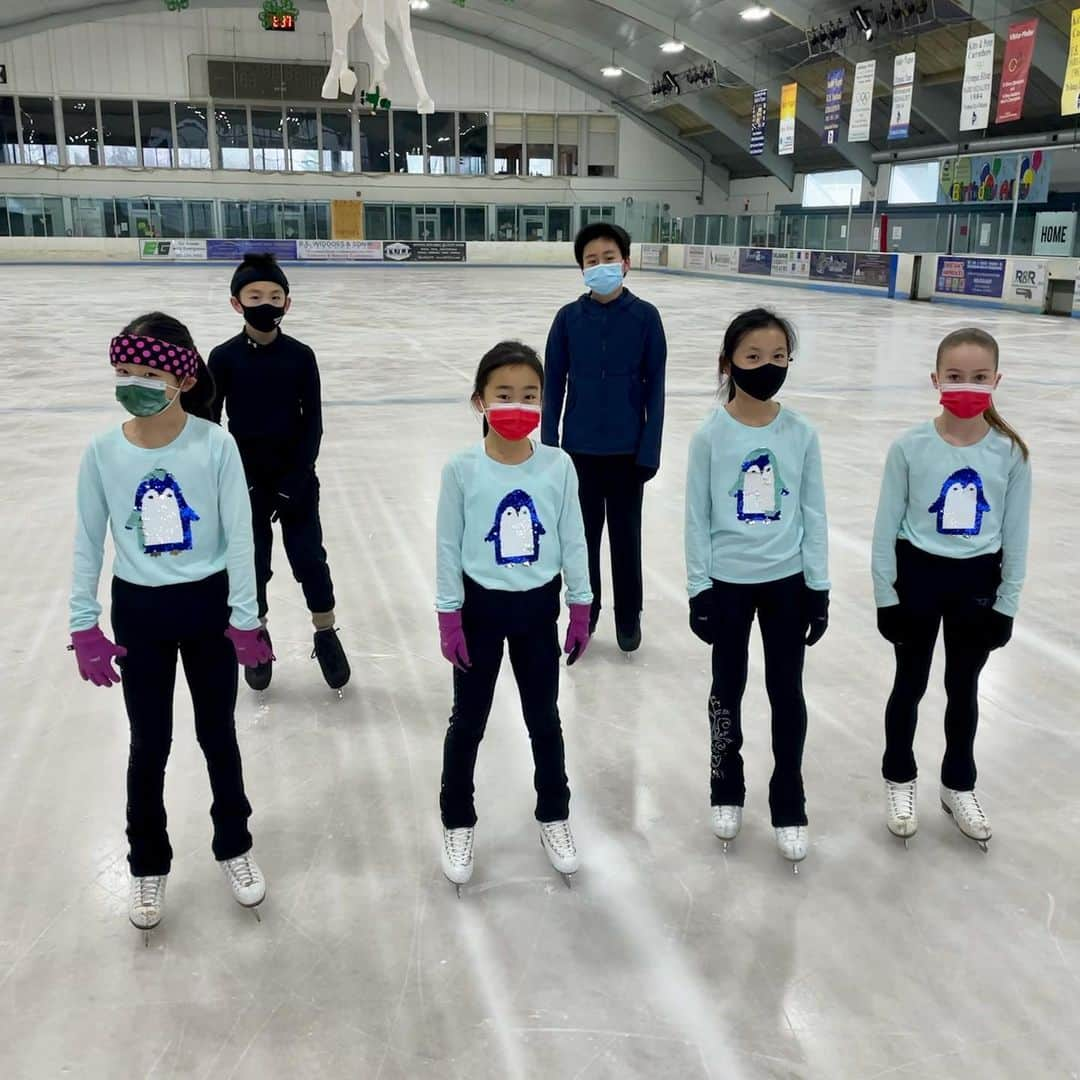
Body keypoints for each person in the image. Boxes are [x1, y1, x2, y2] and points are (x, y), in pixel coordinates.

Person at [69, 313, 271, 937]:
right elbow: (87, 542)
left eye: (148, 371)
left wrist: (245, 617)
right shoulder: (103, 452)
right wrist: (84, 623)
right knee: (148, 743)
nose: (134, 382)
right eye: (125, 371)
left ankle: (234, 845)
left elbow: (240, 536)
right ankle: (147, 861)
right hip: (141, 612)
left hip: (207, 608)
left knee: (218, 735)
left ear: (181, 377)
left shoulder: (214, 445)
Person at [435, 341, 593, 890]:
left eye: (530, 395)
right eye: (504, 394)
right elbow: (448, 547)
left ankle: (554, 812)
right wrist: (448, 616)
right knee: (469, 722)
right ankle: (457, 819)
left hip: (536, 611)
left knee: (544, 719)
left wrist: (581, 603)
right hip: (479, 611)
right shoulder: (462, 469)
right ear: (480, 399)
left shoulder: (557, 465)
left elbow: (574, 537)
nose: (517, 405)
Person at [871, 327, 1031, 849]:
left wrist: (1005, 604)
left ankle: (958, 784)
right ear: (936, 379)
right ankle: (899, 778)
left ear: (996, 381)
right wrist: (886, 596)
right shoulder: (909, 447)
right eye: (956, 376)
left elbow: (1016, 537)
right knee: (910, 684)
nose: (968, 385)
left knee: (963, 690)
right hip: (918, 577)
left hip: (975, 584)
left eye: (979, 377)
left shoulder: (1010, 453)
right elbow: (884, 529)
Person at [684, 309, 829, 870]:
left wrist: (818, 586)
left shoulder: (801, 434)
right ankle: (726, 786)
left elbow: (813, 514)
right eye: (752, 358)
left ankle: (788, 800)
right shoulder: (710, 436)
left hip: (787, 583)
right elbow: (697, 518)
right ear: (729, 364)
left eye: (777, 358)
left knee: (786, 692)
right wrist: (700, 588)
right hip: (729, 583)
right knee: (728, 686)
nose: (766, 368)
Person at [208, 253, 350, 693]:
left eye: (274, 296)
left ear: (287, 303)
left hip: (296, 479)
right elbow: (212, 426)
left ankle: (325, 631)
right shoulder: (224, 358)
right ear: (237, 303)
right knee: (252, 563)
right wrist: (235, 479)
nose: (265, 303)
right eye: (255, 296)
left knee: (309, 557)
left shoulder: (301, 357)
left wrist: (297, 476)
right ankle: (258, 632)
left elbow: (314, 422)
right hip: (245, 481)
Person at [542, 223, 666, 653]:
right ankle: (586, 611)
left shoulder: (646, 317)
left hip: (628, 453)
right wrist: (548, 446)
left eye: (609, 258)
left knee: (626, 539)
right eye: (591, 261)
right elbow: (553, 383)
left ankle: (629, 615)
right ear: (582, 269)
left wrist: (649, 449)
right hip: (579, 453)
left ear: (626, 263)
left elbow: (656, 387)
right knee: (582, 540)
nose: (601, 266)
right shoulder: (568, 320)